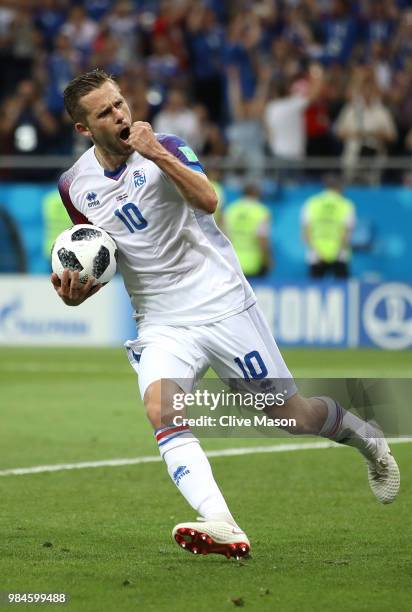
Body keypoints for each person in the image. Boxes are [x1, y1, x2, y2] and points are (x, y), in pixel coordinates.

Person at [52, 69, 399, 560]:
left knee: (292, 418)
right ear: (84, 129)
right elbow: (105, 254)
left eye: (120, 103)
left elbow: (209, 200)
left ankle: (366, 437)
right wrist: (79, 292)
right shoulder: (75, 186)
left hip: (222, 302)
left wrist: (157, 155)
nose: (121, 114)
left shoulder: (165, 144)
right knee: (160, 408)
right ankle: (221, 522)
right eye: (105, 112)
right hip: (162, 321)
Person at [301, 174, 356, 279]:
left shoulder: (311, 203)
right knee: (341, 291)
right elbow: (347, 233)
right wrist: (335, 253)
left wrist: (317, 252)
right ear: (340, 187)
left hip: (316, 256)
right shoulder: (346, 204)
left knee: (316, 292)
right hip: (340, 255)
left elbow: (305, 233)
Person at [224, 184, 273, 279]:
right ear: (258, 194)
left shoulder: (230, 210)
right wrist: (267, 260)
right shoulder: (261, 211)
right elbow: (262, 239)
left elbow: (224, 236)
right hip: (254, 263)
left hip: (233, 263)